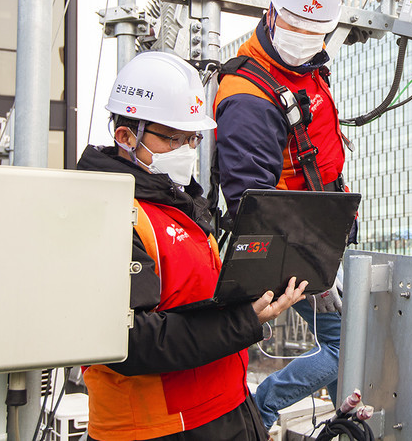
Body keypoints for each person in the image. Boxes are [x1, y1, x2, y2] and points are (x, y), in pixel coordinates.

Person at [77, 51, 308, 441]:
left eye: (192, 138)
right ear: (126, 136)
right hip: (156, 429)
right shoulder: (104, 211)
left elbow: (197, 298)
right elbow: (128, 341)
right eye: (174, 138)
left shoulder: (180, 205)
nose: (187, 149)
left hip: (228, 408)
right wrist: (244, 320)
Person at [214, 0, 350, 430]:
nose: (305, 38)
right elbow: (256, 207)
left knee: (351, 353)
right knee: (347, 346)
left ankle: (346, 422)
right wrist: (317, 268)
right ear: (270, 12)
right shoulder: (248, 96)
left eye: (316, 31)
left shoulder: (302, 65)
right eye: (295, 24)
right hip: (304, 247)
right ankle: (261, 408)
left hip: (323, 238)